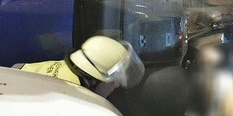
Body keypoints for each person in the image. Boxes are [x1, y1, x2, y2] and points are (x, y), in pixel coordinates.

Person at [14, 35, 145, 97]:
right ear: (94, 80)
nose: (116, 85)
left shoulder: (67, 69)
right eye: (114, 79)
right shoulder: (75, 98)